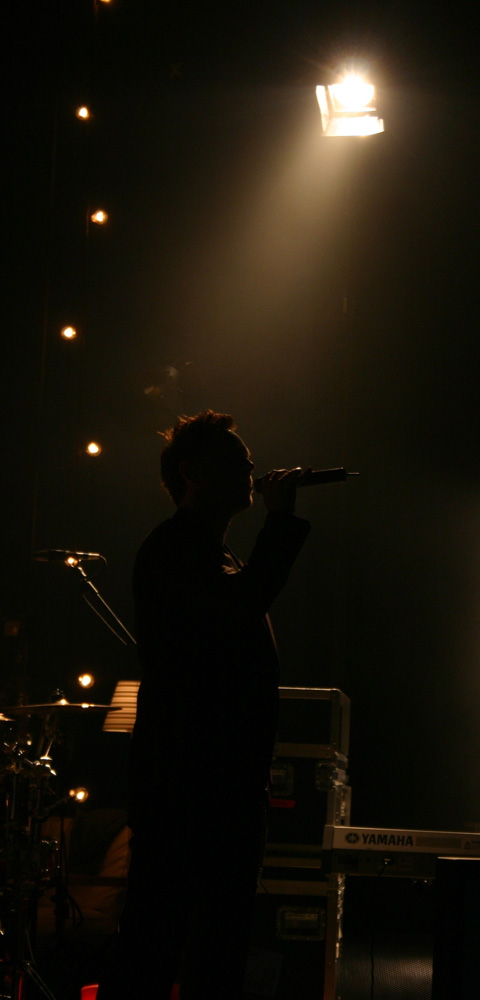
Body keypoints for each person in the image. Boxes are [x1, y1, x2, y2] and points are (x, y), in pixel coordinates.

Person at [97, 410, 310, 999]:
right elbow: (245, 603)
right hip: (186, 786)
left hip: (223, 785)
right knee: (156, 943)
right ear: (192, 474)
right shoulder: (172, 549)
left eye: (248, 460)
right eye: (233, 462)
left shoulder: (216, 554)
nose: (250, 468)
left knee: (217, 949)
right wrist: (281, 521)